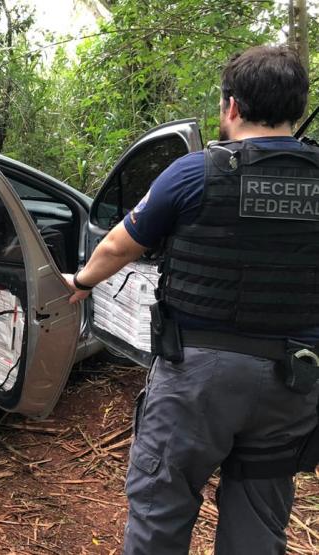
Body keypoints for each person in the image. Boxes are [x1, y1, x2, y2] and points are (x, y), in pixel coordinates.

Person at [63, 46, 319, 554]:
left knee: (161, 509)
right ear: (295, 106)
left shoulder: (194, 173)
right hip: (295, 379)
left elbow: (117, 244)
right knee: (259, 522)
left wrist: (83, 282)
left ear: (231, 107)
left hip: (196, 381)